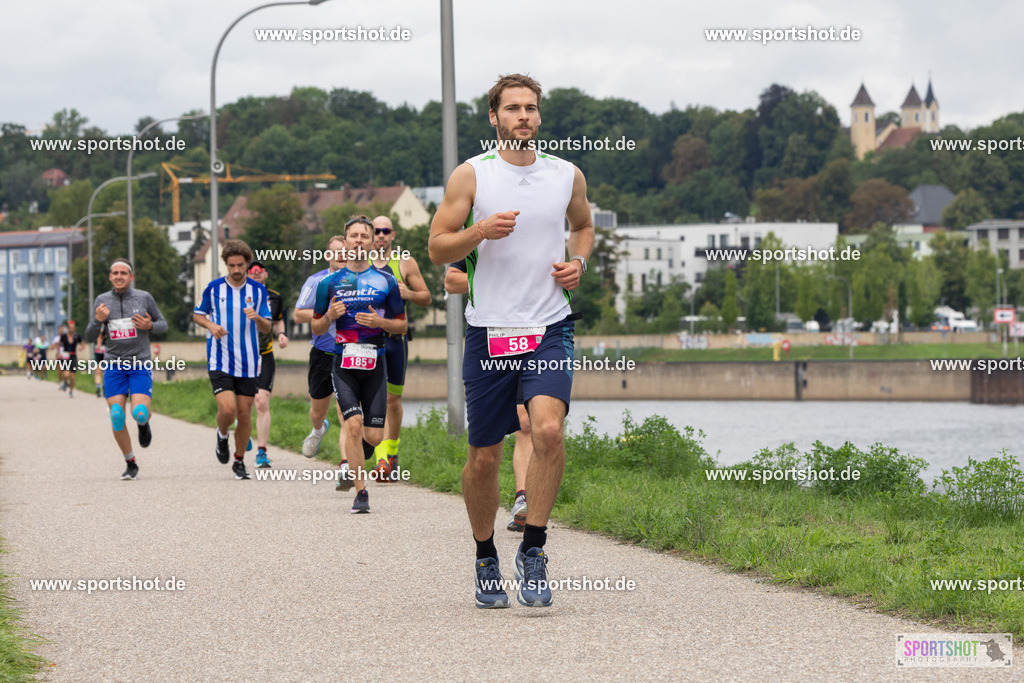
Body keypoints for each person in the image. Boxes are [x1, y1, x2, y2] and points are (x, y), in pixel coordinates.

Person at [428, 73, 594, 608]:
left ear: (539, 115)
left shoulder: (566, 174)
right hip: (490, 332)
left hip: (549, 326)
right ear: (494, 117)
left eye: (531, 107)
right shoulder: (472, 175)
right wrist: (479, 231)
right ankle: (485, 556)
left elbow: (584, 226)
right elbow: (437, 247)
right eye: (513, 108)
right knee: (483, 458)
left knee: (547, 430)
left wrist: (579, 262)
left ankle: (534, 549)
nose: (523, 116)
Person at [312, 216, 407, 513]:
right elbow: (315, 327)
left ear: (371, 242)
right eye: (353, 236)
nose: (358, 241)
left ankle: (360, 453)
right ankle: (360, 491)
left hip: (375, 363)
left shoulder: (386, 281)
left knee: (373, 436)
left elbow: (402, 326)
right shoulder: (328, 284)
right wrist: (329, 317)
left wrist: (381, 323)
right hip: (343, 363)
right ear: (345, 241)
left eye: (364, 236)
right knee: (352, 426)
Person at [445, 260, 532, 532]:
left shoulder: (541, 237)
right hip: (490, 338)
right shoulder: (480, 236)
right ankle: (483, 532)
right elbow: (451, 281)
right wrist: (495, 282)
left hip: (536, 333)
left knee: (526, 422)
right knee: (485, 453)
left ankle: (522, 498)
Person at [193, 239, 272, 481]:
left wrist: (257, 317)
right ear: (226, 265)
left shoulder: (258, 291)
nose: (236, 270)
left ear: (247, 263)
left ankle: (239, 461)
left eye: (240, 265)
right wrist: (211, 325)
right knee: (227, 410)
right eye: (231, 266)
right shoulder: (214, 288)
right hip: (220, 359)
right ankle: (222, 434)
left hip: (248, 361)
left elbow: (267, 326)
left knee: (244, 413)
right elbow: (198, 315)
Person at [84, 258, 168, 480]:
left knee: (139, 412)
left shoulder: (144, 297)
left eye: (123, 273)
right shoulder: (102, 301)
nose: (119, 276)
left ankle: (143, 423)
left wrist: (150, 325)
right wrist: (97, 320)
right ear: (110, 277)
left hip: (139, 363)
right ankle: (130, 462)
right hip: (114, 365)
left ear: (131, 277)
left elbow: (163, 325)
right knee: (117, 415)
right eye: (115, 273)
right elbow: (89, 336)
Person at [369, 215, 432, 481]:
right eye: (376, 231)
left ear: (393, 235)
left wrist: (409, 294)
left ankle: (392, 455)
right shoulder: (360, 263)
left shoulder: (404, 262)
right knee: (375, 399)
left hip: (397, 340)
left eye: (386, 231)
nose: (381, 235)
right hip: (369, 341)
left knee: (393, 401)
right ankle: (381, 459)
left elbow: (426, 297)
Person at [293, 235, 348, 469]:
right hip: (322, 353)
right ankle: (318, 430)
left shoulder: (359, 281)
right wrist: (328, 314)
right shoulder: (316, 281)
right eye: (337, 251)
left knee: (345, 411)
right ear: (328, 255)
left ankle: (346, 465)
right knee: (318, 412)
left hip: (348, 353)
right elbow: (298, 314)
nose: (342, 255)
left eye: (346, 252)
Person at [246, 260, 289, 468]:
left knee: (262, 401)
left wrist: (281, 334)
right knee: (242, 404)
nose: (256, 273)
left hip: (265, 355)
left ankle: (261, 452)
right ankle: (241, 429)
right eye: (252, 270)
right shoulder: (239, 295)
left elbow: (278, 320)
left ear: (266, 274)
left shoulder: (275, 297)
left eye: (259, 270)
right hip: (242, 356)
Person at [57, 320, 84, 397]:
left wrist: (81, 348)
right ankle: (65, 382)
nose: (71, 329)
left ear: (74, 328)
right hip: (65, 356)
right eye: (70, 327)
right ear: (68, 328)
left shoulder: (77, 336)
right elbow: (58, 344)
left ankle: (71, 391)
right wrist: (59, 353)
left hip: (73, 357)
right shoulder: (64, 336)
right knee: (66, 374)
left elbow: (83, 344)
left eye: (72, 327)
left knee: (72, 376)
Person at [93, 328, 107, 397]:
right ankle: (102, 389)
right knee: (102, 372)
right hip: (103, 351)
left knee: (99, 372)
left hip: (99, 351)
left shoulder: (96, 327)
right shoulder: (107, 327)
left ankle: (99, 388)